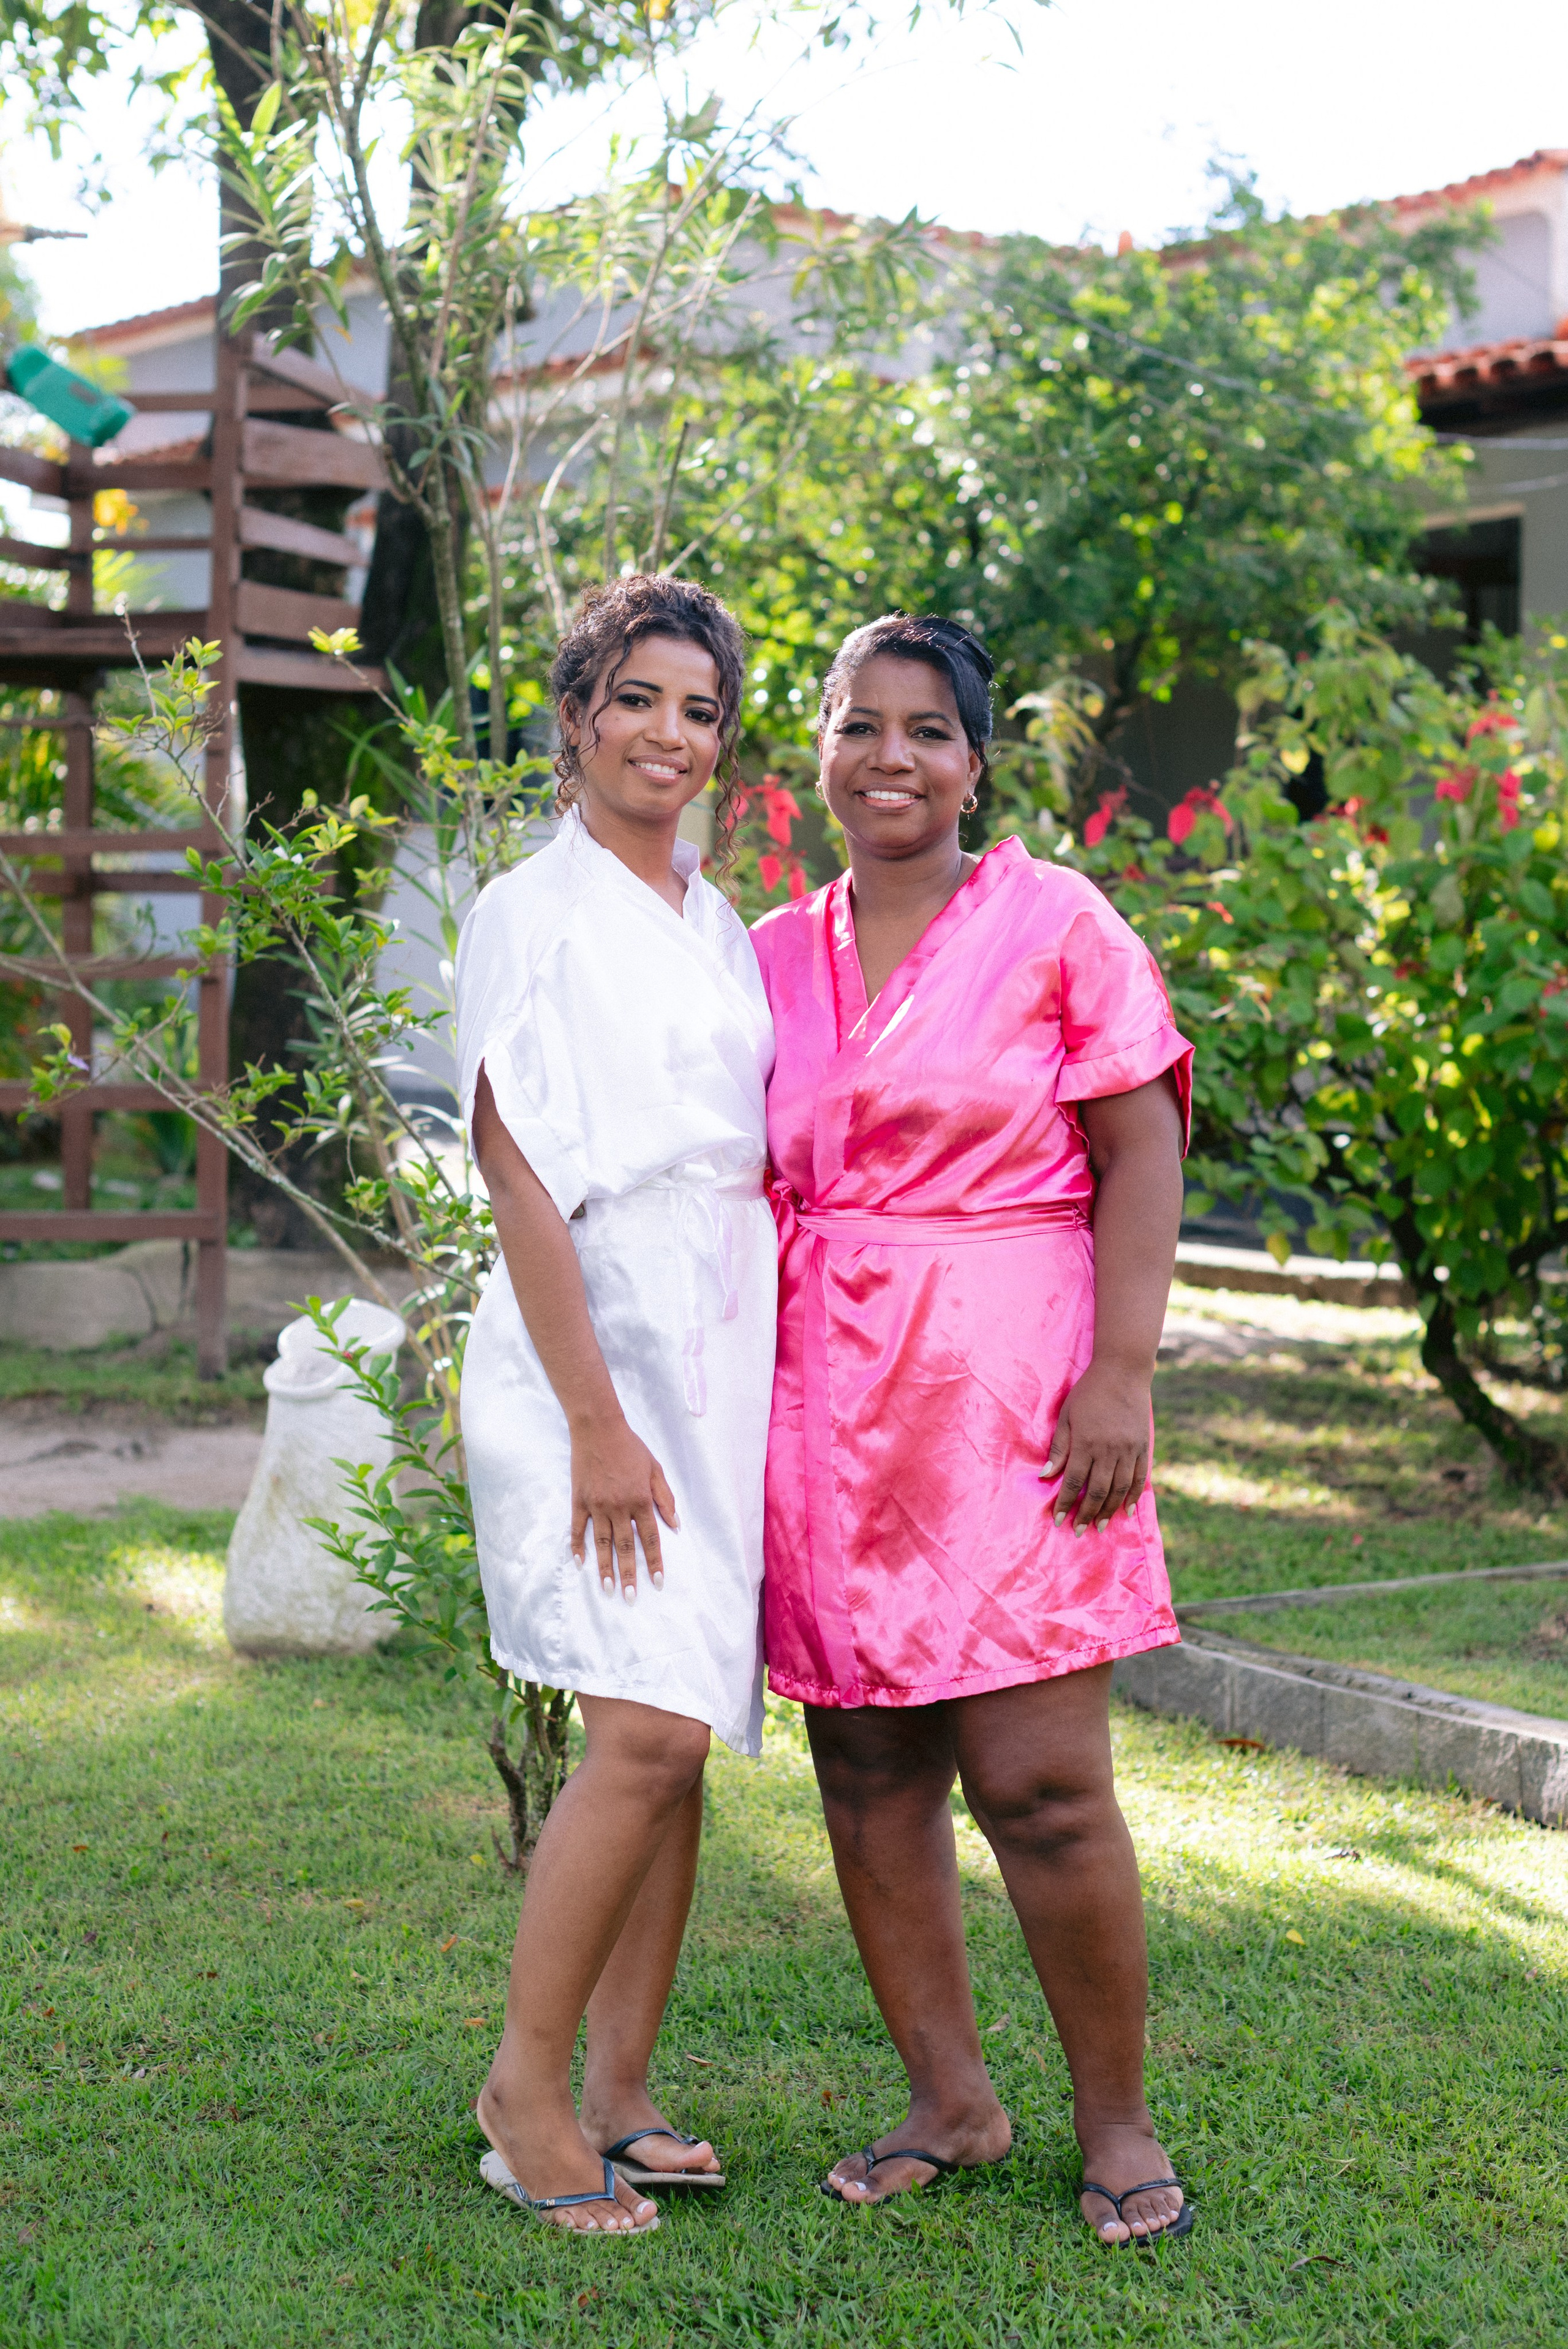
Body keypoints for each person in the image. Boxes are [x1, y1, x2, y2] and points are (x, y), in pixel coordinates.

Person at [751, 613, 1194, 2245]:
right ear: (819, 750)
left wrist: (1122, 1371)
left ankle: (1118, 2121)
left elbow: (1141, 1148)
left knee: (1042, 1781)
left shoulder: (1057, 921)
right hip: (827, 1404)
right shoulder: (766, 953)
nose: (891, 758)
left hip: (1017, 1399)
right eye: (859, 724)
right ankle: (951, 2099)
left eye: (928, 729)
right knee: (869, 1768)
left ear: (976, 763)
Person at [456, 576, 776, 2237]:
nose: (669, 734)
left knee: (677, 1728)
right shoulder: (535, 908)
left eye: (700, 710)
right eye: (637, 698)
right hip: (592, 1333)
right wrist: (593, 1416)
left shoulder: (711, 916)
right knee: (644, 1727)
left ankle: (621, 2088)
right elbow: (517, 1170)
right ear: (576, 715)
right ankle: (524, 2091)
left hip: (718, 1345)